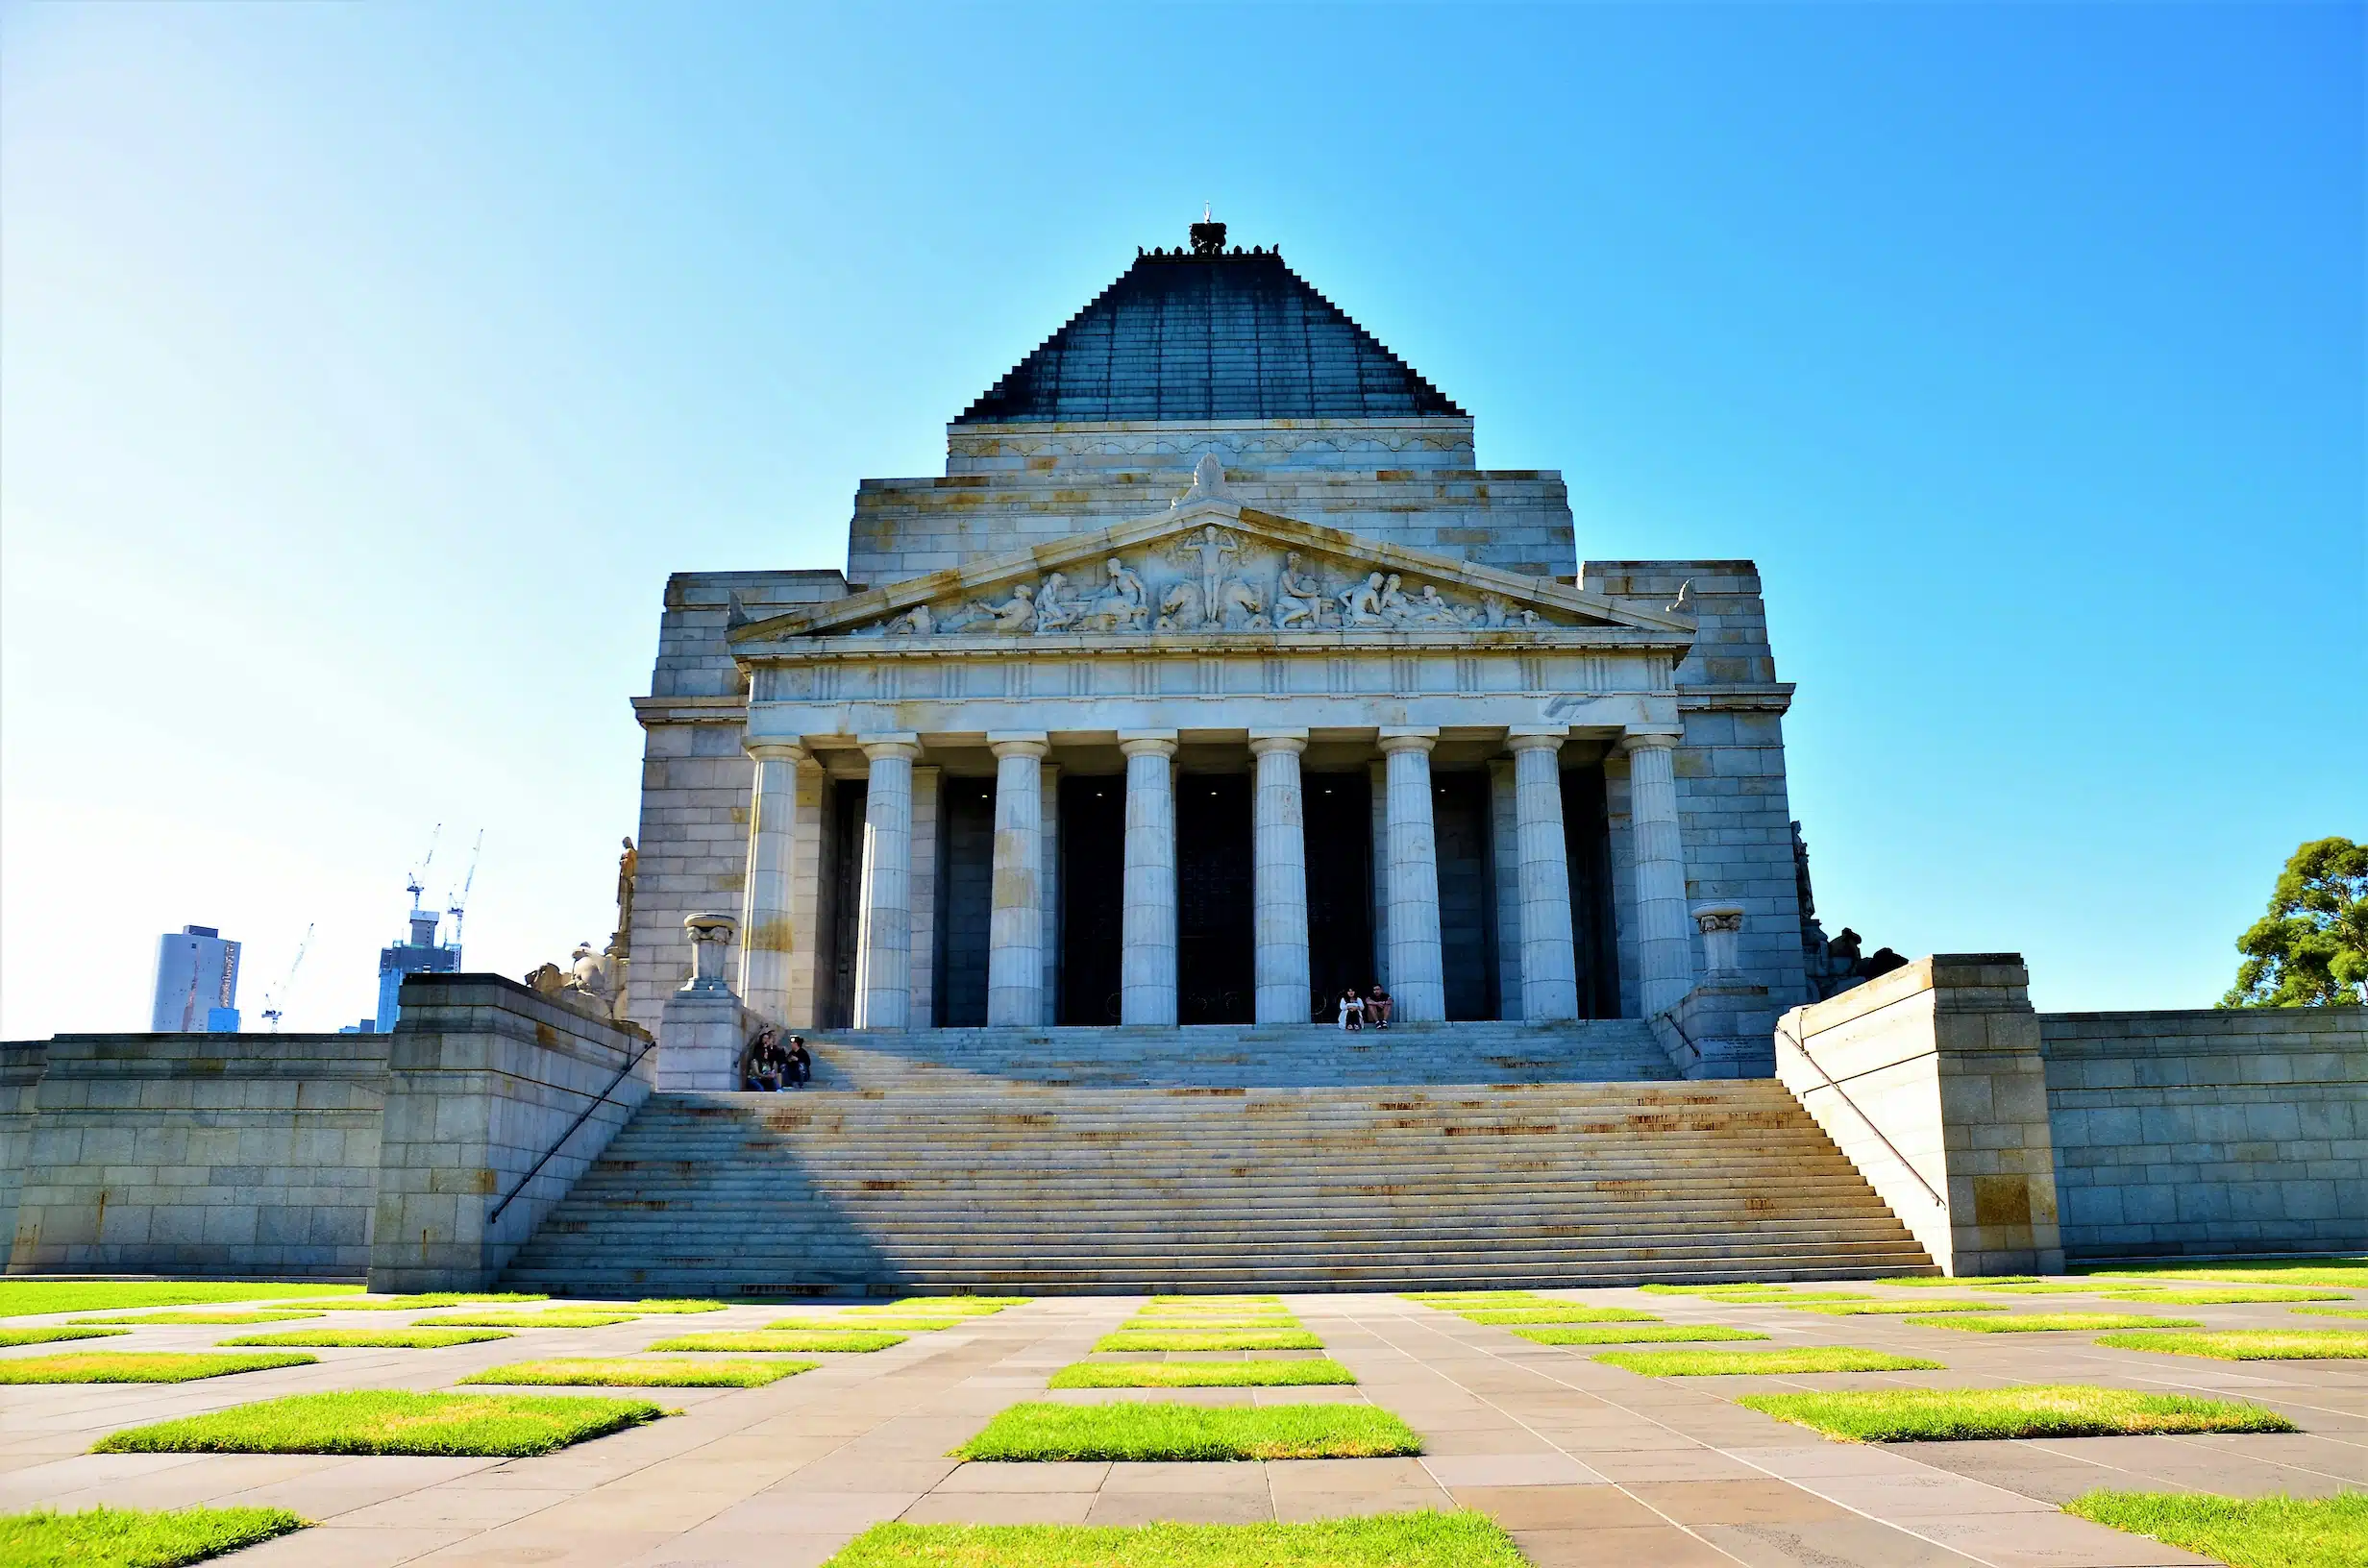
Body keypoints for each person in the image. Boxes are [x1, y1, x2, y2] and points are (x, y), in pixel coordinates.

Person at [741, 1027, 784, 1092]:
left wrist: (771, 1075)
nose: (767, 1053)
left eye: (768, 1038)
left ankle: (779, 1090)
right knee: (760, 1088)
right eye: (765, 1038)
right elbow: (757, 1073)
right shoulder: (755, 1061)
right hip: (754, 1079)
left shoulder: (767, 1062)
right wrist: (767, 1076)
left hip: (763, 1079)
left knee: (772, 1080)